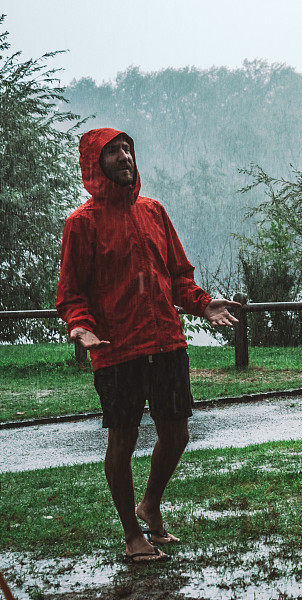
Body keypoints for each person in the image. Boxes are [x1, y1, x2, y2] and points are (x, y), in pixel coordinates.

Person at [56, 128, 239, 563]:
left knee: (176, 434)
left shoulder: (154, 211)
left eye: (128, 149)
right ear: (94, 163)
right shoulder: (81, 223)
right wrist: (79, 328)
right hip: (116, 349)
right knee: (123, 440)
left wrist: (203, 303)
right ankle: (132, 533)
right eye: (114, 151)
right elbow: (71, 295)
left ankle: (151, 504)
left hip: (166, 341)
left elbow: (178, 277)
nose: (124, 157)